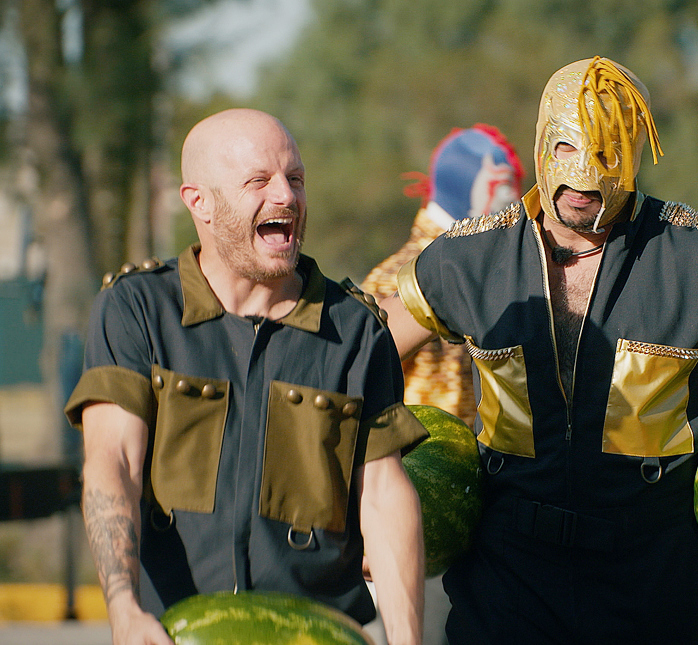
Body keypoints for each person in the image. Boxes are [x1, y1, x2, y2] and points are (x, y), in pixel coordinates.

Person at [380, 57, 698, 644]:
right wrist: (357, 508)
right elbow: (354, 359)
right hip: (506, 589)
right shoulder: (471, 259)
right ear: (543, 142)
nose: (584, 175)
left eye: (607, 153)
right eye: (567, 147)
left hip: (657, 590)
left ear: (635, 153)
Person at [64, 108, 428, 645]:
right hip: (174, 634)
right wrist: (123, 608)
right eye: (259, 181)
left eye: (295, 178)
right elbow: (113, 460)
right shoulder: (138, 310)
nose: (286, 196)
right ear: (200, 202)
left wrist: (406, 639)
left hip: (318, 633)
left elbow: (383, 493)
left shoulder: (354, 328)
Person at [362, 124, 524, 427]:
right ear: (464, 186)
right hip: (419, 451)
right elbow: (357, 386)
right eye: (503, 186)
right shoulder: (393, 280)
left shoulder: (490, 270)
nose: (516, 201)